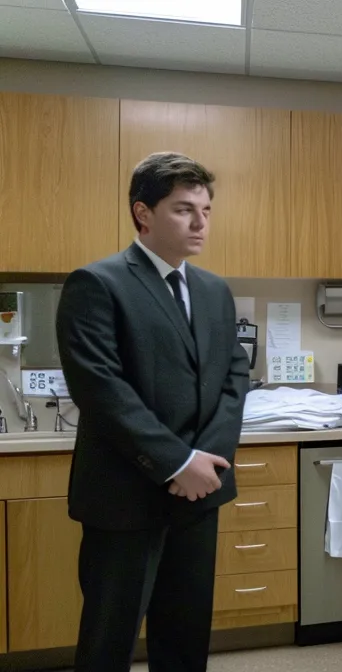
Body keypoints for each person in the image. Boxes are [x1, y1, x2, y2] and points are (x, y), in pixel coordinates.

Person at [56, 152, 250, 672]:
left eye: (206, 210)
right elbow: (101, 388)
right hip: (125, 497)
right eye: (184, 209)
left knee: (185, 639)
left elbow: (234, 378)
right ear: (144, 213)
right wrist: (175, 463)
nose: (200, 222)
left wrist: (205, 461)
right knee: (108, 641)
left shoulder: (213, 291)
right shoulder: (97, 284)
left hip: (199, 495)